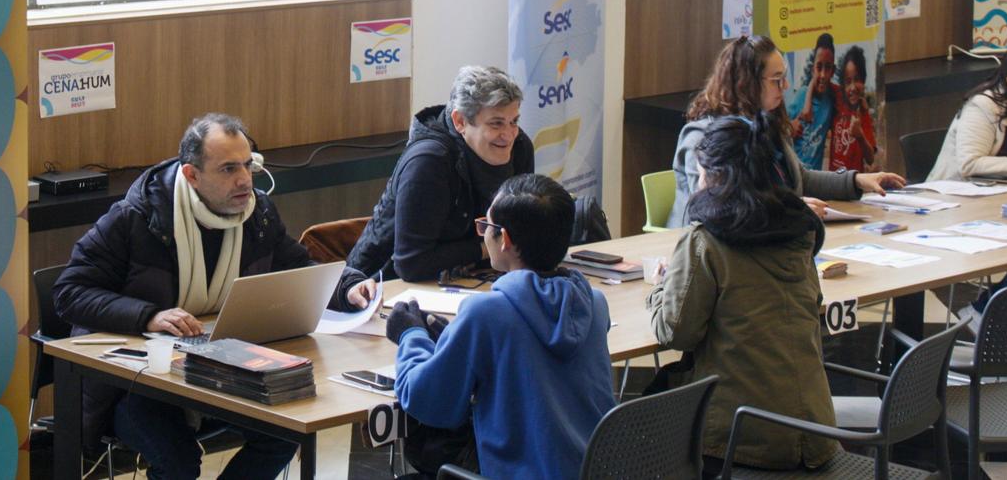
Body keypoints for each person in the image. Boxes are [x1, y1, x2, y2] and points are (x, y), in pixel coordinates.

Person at [52, 113, 377, 480]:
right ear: (191, 175)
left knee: (283, 434)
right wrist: (148, 316)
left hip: (221, 368)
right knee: (177, 461)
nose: (243, 180)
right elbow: (69, 292)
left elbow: (298, 266)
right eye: (227, 169)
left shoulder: (258, 215)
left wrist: (348, 285)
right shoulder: (135, 218)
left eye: (248, 165)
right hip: (136, 383)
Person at [386, 174, 615, 479]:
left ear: (504, 239)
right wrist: (454, 340)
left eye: (487, 227)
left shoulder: (485, 313)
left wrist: (410, 334)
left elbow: (429, 402)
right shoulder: (595, 304)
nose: (483, 234)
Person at [648, 114, 838, 473]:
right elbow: (813, 308)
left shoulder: (705, 242)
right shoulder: (798, 232)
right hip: (817, 431)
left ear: (717, 175)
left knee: (644, 430)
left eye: (701, 171)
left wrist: (662, 286)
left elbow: (674, 331)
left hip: (742, 438)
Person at [668, 35, 903, 228]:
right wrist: (788, 211)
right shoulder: (702, 137)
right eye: (777, 80)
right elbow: (713, 209)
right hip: (711, 253)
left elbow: (801, 178)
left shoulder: (767, 123)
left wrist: (858, 180)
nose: (786, 87)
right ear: (746, 83)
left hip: (770, 240)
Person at [346, 65, 534, 281]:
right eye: (496, 124)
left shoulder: (519, 147)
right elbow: (411, 264)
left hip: (469, 279)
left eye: (514, 122)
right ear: (460, 121)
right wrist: (488, 247)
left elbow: (522, 230)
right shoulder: (428, 162)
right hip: (382, 289)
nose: (509, 135)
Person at [929, 42, 1007, 330]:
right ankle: (983, 314)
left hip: (1002, 201)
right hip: (956, 205)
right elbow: (970, 164)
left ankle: (999, 319)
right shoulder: (983, 105)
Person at [788, 32, 837, 169]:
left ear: (832, 71)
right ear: (812, 69)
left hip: (815, 182)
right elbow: (777, 127)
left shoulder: (831, 102)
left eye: (827, 68)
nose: (822, 74)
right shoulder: (801, 96)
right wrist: (789, 127)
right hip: (794, 178)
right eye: (819, 67)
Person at [827, 44, 877, 172]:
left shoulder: (863, 114)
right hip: (833, 183)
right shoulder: (838, 97)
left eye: (857, 79)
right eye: (848, 82)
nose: (853, 87)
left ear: (864, 80)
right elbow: (821, 80)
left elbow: (870, 159)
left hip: (853, 185)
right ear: (843, 84)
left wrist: (860, 136)